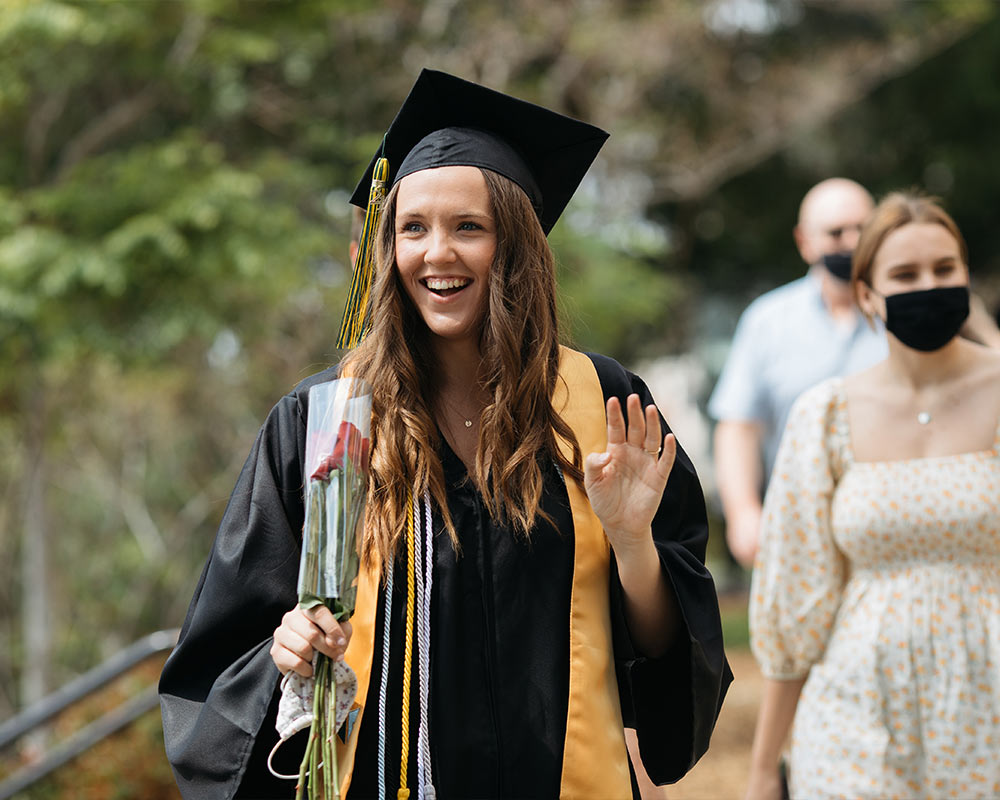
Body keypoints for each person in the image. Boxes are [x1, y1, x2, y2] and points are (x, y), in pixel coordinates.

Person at [159, 69, 732, 800]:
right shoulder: (327, 421)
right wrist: (288, 649)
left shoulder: (600, 404)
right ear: (387, 248)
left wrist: (632, 543)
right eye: (412, 228)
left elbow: (669, 665)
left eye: (469, 226)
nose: (438, 254)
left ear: (515, 245)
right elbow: (221, 656)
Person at [744, 192, 1000, 799]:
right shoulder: (825, 416)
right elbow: (797, 601)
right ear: (867, 295)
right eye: (905, 275)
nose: (929, 286)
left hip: (986, 714)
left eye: (945, 269)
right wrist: (761, 769)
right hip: (854, 720)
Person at [708, 178, 887, 568]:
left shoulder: (905, 317)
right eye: (837, 232)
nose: (853, 241)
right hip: (796, 535)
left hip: (893, 525)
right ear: (805, 242)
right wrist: (743, 513)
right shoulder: (767, 321)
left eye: (864, 229)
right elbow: (739, 425)